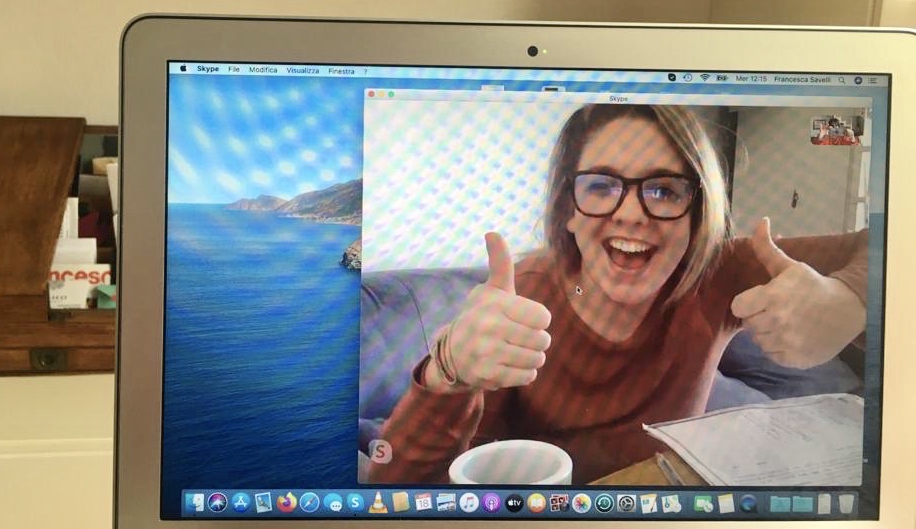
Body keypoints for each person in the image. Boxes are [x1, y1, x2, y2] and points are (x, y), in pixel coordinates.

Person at [368, 104, 868, 484]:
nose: (630, 213)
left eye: (664, 190)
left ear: (697, 217)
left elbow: (886, 241)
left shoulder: (716, 270)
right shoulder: (524, 298)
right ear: (568, 208)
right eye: (602, 186)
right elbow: (400, 487)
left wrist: (849, 297)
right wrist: (448, 371)